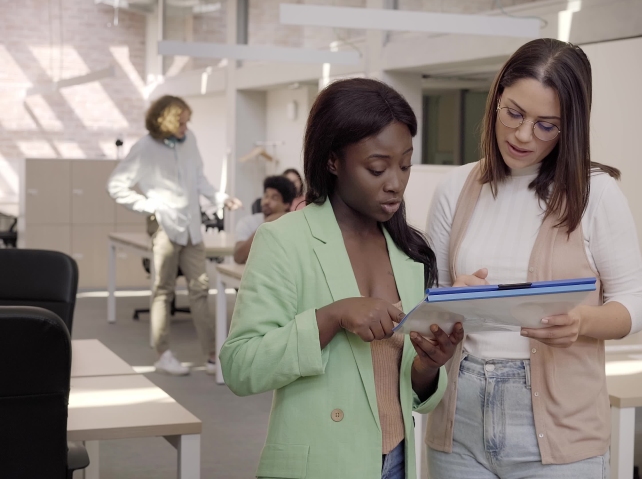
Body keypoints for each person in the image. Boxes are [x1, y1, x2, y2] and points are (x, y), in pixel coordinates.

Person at [425, 38, 642, 477]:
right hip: (461, 417)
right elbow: (427, 296)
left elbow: (636, 302)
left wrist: (583, 323)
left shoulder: (596, 193)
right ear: (496, 100)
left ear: (571, 127)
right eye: (514, 113)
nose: (524, 135)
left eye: (547, 125)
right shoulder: (454, 189)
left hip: (561, 425)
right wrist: (449, 296)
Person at [219, 78, 464, 479]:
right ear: (333, 161)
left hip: (396, 463)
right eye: (377, 168)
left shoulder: (410, 252)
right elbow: (240, 367)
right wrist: (330, 317)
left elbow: (409, 395)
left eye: (405, 165)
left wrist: (428, 365)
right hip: (319, 465)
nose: (395, 183)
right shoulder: (284, 240)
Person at [107, 95, 242, 377]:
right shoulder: (145, 148)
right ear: (165, 121)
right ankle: (163, 354)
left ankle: (211, 355)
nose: (186, 125)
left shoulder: (189, 140)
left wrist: (220, 198)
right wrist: (150, 205)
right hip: (165, 227)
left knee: (200, 287)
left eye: (187, 121)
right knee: (163, 291)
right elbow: (116, 185)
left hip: (192, 227)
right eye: (181, 121)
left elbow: (199, 178)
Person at [233, 175, 297, 264]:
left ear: (286, 204)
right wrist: (265, 225)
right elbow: (238, 257)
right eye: (266, 196)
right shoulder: (247, 222)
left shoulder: (294, 226)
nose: (267, 201)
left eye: (274, 198)